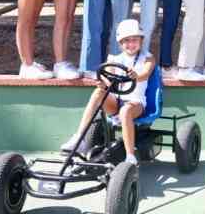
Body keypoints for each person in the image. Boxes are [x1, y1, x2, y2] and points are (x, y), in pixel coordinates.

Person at [61, 19, 154, 166]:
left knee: (125, 111)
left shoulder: (147, 58)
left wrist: (136, 76)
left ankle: (130, 156)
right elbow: (108, 81)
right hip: (116, 102)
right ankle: (79, 138)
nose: (131, 44)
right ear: (120, 43)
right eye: (126, 40)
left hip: (136, 104)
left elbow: (145, 74)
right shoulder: (114, 59)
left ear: (141, 40)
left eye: (134, 40)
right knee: (98, 92)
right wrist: (103, 84)